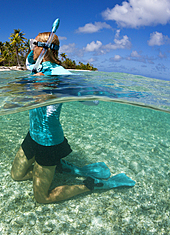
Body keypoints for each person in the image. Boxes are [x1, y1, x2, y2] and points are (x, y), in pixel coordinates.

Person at [10, 32, 135, 203]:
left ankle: (90, 185)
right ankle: (59, 168)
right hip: (33, 135)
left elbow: (94, 101)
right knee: (17, 175)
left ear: (45, 48)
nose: (32, 47)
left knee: (42, 198)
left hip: (48, 142)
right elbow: (28, 62)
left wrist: (59, 91)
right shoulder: (36, 68)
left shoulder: (61, 75)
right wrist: (36, 55)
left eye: (34, 44)